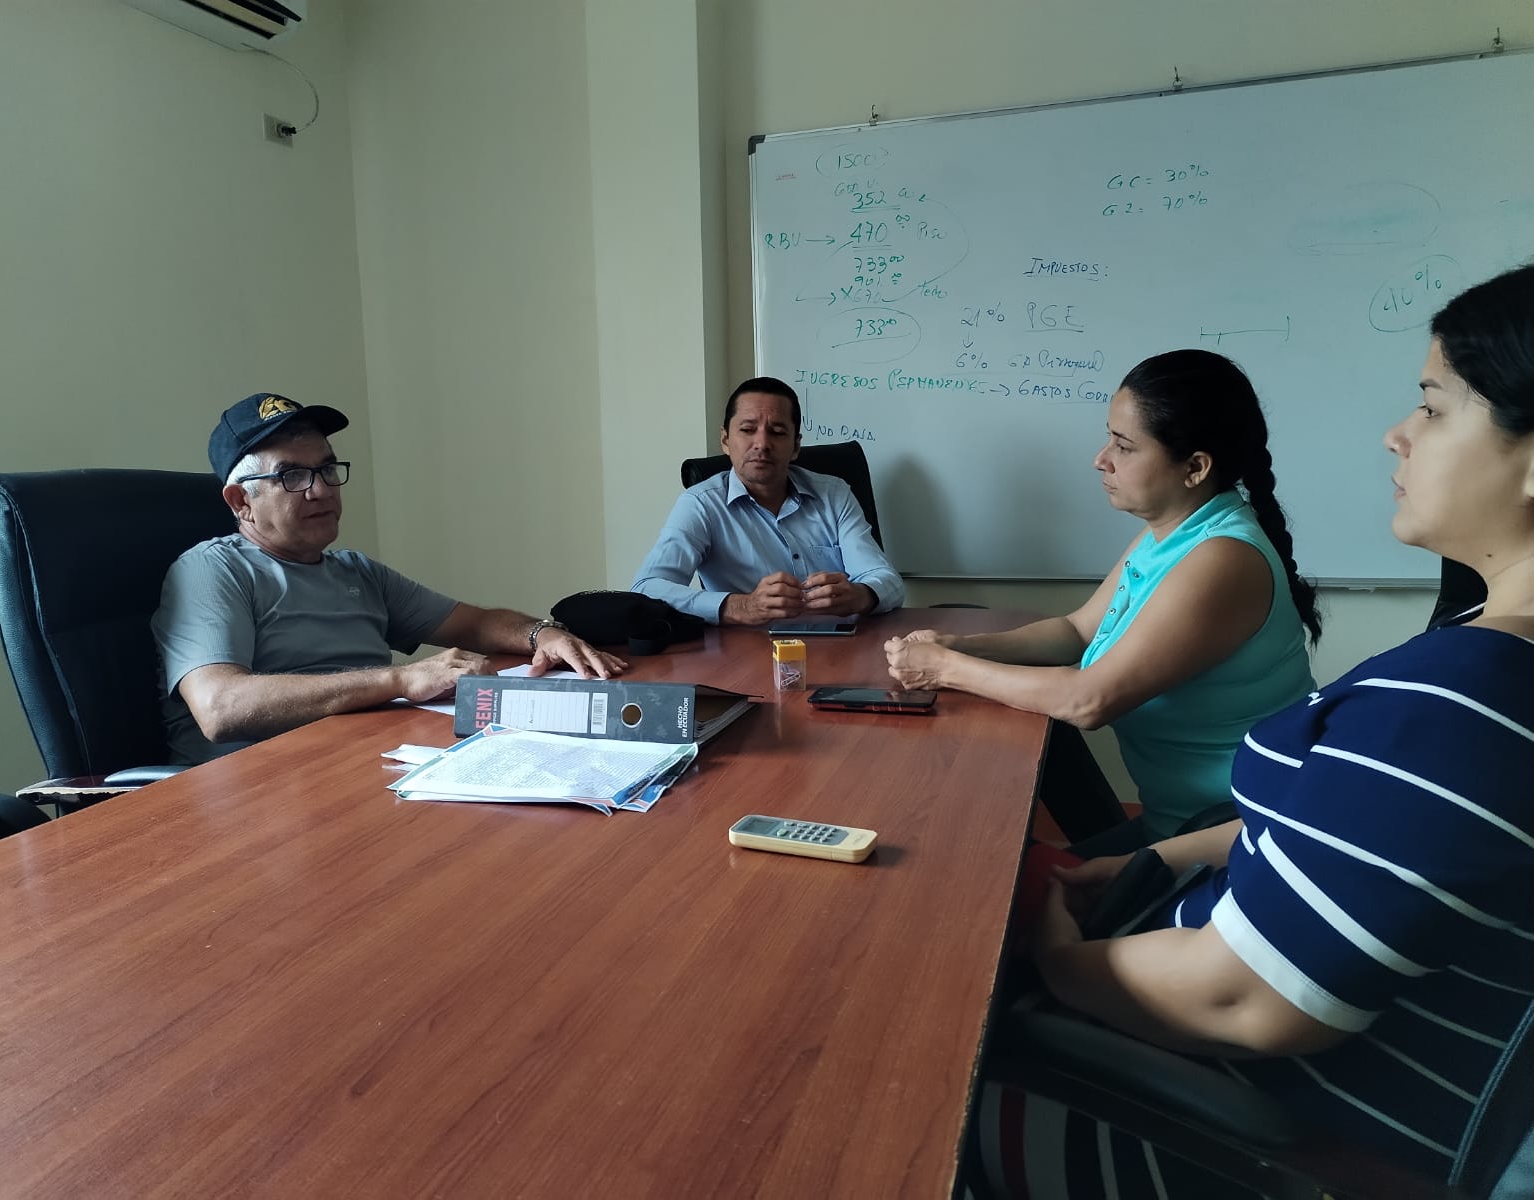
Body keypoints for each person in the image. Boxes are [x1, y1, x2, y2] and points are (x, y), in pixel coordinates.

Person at [980, 263, 1534, 1197]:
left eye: (1433, 406)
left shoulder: (1465, 702)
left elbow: (1239, 997)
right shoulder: (1476, 670)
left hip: (1234, 1130)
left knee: (902, 1027)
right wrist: (1154, 862)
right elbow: (1350, 826)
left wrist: (1062, 966)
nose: (1397, 433)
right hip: (1214, 982)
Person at [886, 350, 1319, 852]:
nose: (1101, 459)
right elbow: (1076, 631)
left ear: (1195, 468)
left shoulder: (1223, 558)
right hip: (1188, 825)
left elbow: (1087, 700)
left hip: (1244, 839)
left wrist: (944, 668)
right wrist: (960, 645)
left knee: (996, 877)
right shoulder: (1172, 535)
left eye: (1124, 446)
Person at [153, 393, 626, 764]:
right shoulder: (213, 570)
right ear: (241, 501)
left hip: (364, 760)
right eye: (293, 476)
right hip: (262, 790)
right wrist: (400, 679)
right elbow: (220, 707)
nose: (321, 490)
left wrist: (543, 634)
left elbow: (476, 624)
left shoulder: (356, 571)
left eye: (326, 469)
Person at [632, 377, 905, 626]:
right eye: (747, 429)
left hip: (842, 648)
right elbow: (646, 589)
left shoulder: (834, 494)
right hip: (749, 653)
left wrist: (860, 596)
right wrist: (740, 606)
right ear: (725, 440)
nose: (762, 443)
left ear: (795, 446)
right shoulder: (701, 504)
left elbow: (888, 581)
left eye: (777, 432)